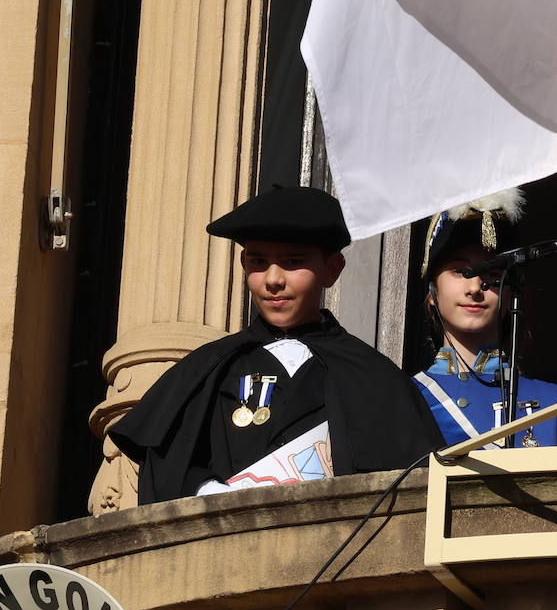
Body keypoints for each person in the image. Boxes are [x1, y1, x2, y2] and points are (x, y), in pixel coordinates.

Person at [109, 186, 444, 504]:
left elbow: (408, 489)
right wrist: (206, 491)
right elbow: (167, 468)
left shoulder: (374, 376)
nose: (273, 280)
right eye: (258, 262)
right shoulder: (207, 368)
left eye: (292, 262)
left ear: (332, 269)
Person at [413, 190, 557, 449]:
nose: (475, 287)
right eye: (460, 271)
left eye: (493, 271)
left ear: (511, 295)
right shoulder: (403, 400)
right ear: (432, 292)